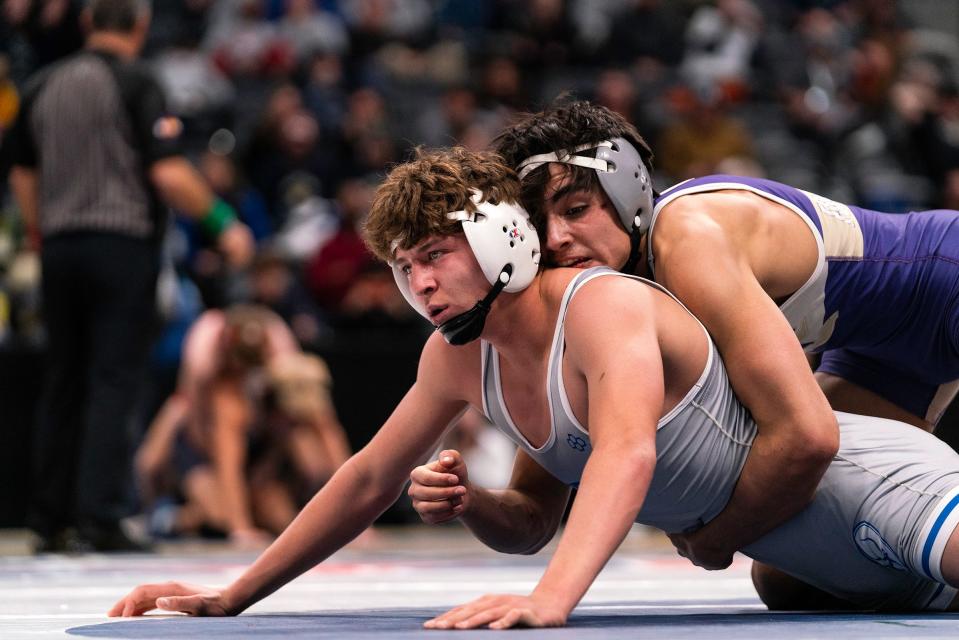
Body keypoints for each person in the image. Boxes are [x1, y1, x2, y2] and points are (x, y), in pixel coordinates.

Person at [110, 148, 959, 626]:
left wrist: (551, 601)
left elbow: (626, 450)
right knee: (791, 596)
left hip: (871, 483)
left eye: (436, 256)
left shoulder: (603, 307)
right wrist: (232, 595)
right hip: (803, 557)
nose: (423, 287)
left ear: (500, 239)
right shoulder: (458, 357)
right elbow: (369, 477)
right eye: (405, 270)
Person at [493, 98, 959, 577]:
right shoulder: (596, 298)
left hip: (949, 275)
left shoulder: (686, 241)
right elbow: (537, 501)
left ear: (628, 192)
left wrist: (717, 539)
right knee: (790, 578)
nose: (555, 240)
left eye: (575, 209)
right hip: (879, 354)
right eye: (538, 224)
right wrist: (467, 498)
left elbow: (809, 436)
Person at [4, 0, 255, 552]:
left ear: (89, 24)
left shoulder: (43, 82)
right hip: (120, 246)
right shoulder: (139, 81)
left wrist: (39, 230)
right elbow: (166, 170)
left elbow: (21, 166)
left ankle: (49, 521)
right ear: (139, 27)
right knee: (113, 378)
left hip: (60, 248)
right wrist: (222, 223)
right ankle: (102, 517)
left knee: (63, 379)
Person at [135, 305, 350, 546]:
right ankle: (170, 516)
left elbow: (327, 431)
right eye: (242, 368)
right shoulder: (208, 365)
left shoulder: (285, 360)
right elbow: (225, 458)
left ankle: (283, 503)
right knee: (217, 513)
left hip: (261, 447)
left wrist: (356, 516)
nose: (246, 374)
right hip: (201, 436)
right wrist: (240, 528)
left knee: (285, 506)